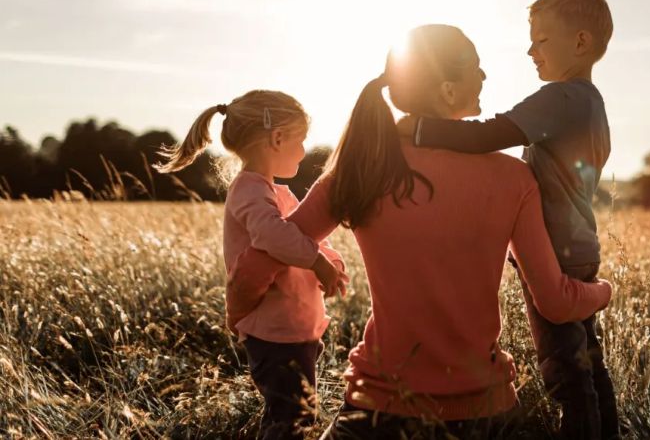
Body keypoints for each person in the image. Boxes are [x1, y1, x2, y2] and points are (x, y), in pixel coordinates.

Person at [228, 24, 612, 439]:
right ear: (448, 90)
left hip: (377, 411)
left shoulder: (361, 170)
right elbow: (555, 303)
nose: (483, 77)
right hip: (486, 413)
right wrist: (604, 290)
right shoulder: (514, 177)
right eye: (476, 68)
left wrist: (239, 313)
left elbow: (261, 258)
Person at [398, 0, 618, 439]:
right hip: (577, 247)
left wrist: (420, 129)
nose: (530, 50)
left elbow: (489, 134)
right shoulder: (590, 103)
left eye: (541, 40)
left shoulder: (563, 99)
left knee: (566, 373)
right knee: (588, 364)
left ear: (580, 43)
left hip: (555, 254)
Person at [155, 90, 349, 440]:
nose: (305, 151)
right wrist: (317, 261)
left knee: (297, 415)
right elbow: (273, 236)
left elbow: (305, 235)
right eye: (301, 141)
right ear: (277, 138)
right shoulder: (248, 190)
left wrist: (330, 258)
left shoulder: (280, 193)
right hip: (274, 333)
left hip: (294, 328)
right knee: (287, 420)